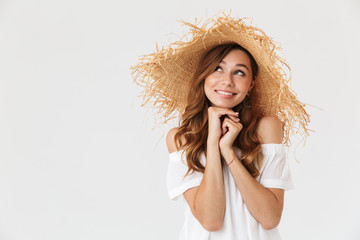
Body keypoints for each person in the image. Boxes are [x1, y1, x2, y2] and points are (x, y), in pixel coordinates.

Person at [132, 12, 310, 240]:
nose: (227, 80)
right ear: (204, 76)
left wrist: (229, 152)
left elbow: (270, 218)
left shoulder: (266, 128)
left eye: (239, 72)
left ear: (251, 84)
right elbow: (211, 220)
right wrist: (212, 144)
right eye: (218, 68)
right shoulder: (181, 138)